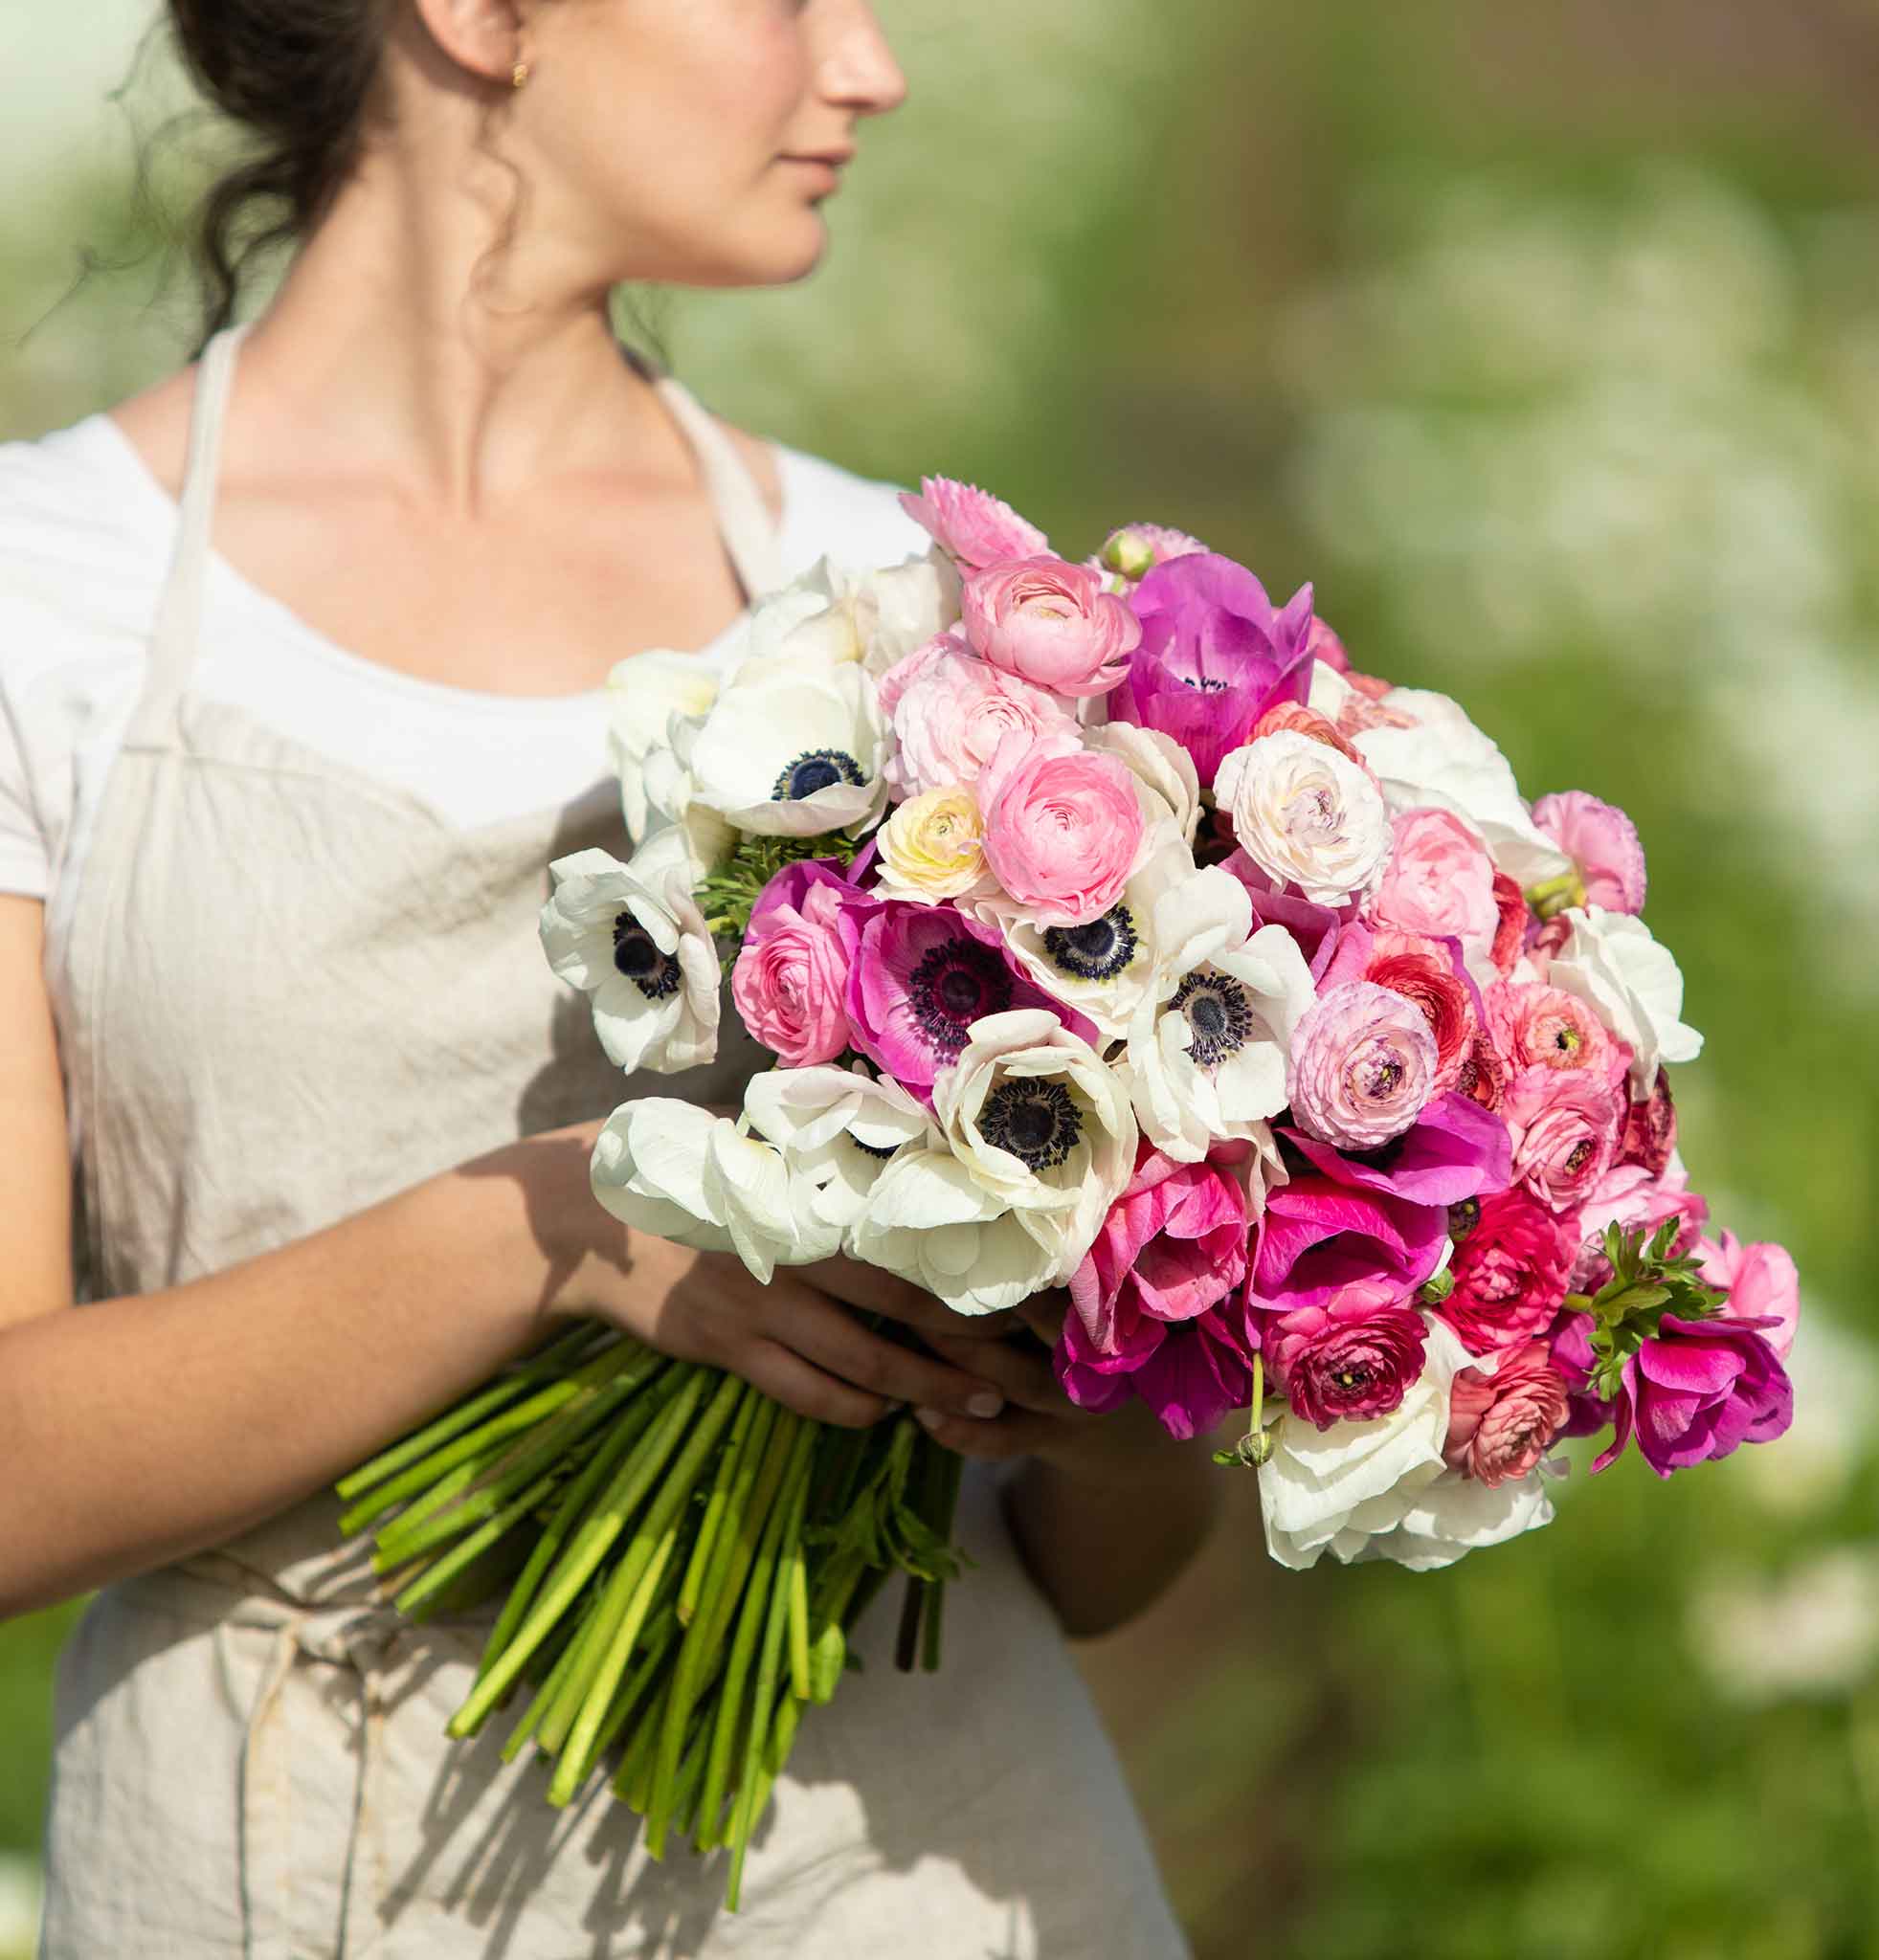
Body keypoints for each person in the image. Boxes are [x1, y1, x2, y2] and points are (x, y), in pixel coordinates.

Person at [0, 2, 1219, 1953]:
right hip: (283, 1856)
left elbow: (1101, 1567)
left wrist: (1102, 1382)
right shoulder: (38, 601)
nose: (870, 68)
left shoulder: (908, 611)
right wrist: (557, 1222)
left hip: (917, 1857)